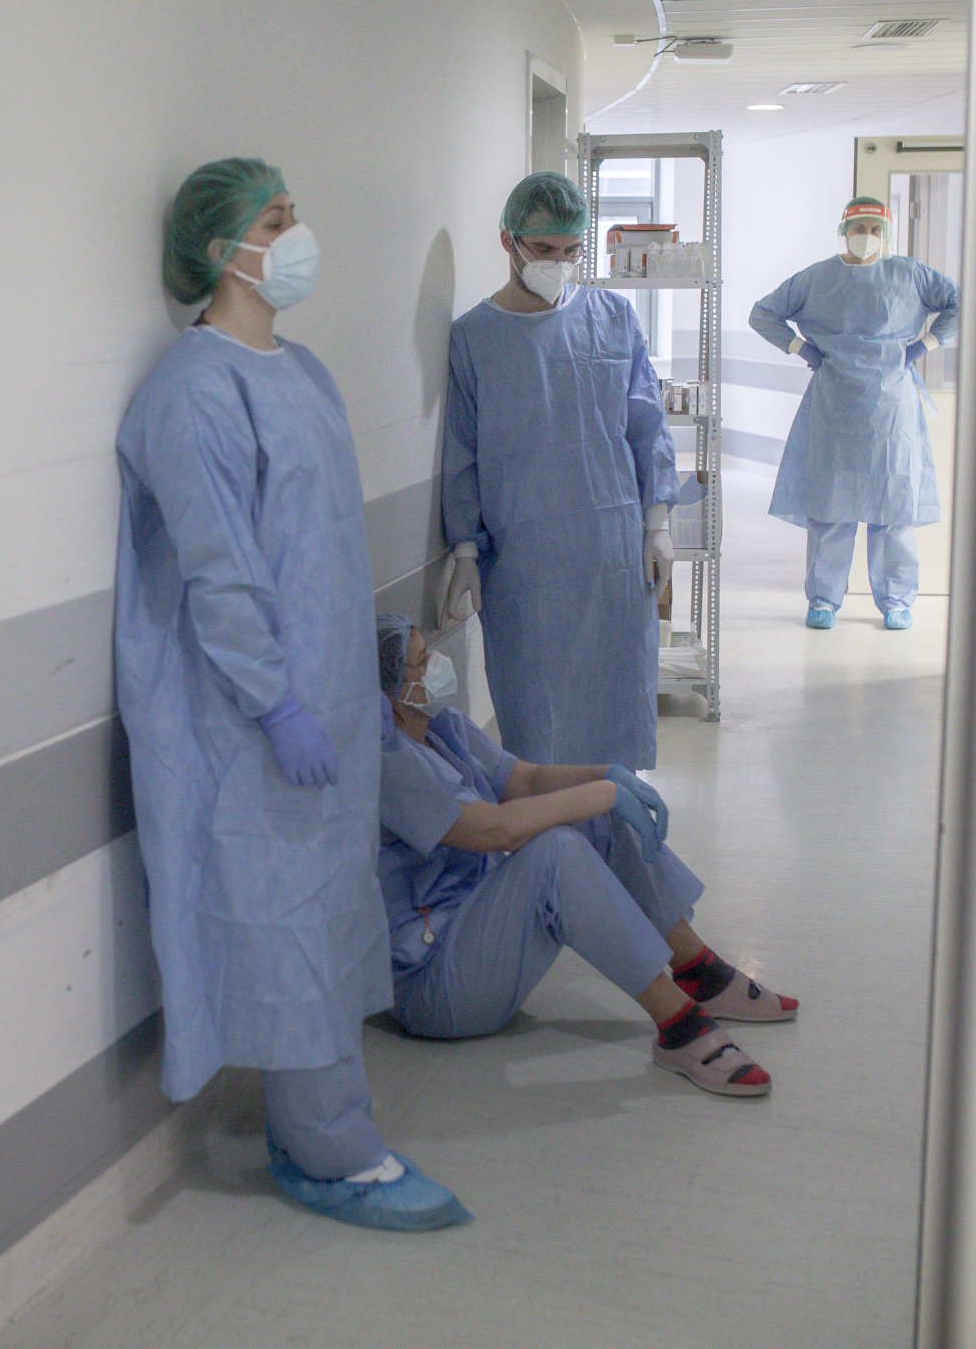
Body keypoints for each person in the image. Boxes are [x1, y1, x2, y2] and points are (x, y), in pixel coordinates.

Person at [116, 159, 468, 1232]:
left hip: (330, 711)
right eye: (275, 222)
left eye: (292, 216)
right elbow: (220, 573)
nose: (296, 237)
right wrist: (274, 702)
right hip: (250, 726)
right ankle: (329, 1152)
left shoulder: (303, 373)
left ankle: (315, 1125)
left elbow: (320, 548)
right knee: (283, 927)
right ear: (218, 249)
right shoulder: (190, 393)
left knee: (323, 915)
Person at [374, 615, 796, 1094]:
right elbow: (494, 830)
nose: (437, 665)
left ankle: (700, 972)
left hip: (477, 930)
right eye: (421, 662)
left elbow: (524, 779)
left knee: (595, 817)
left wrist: (607, 775)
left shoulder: (441, 726)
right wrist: (603, 794)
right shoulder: (389, 763)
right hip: (436, 985)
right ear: (388, 694)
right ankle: (680, 1026)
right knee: (558, 850)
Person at [441, 171, 679, 769]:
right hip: (526, 569)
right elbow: (462, 449)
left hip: (612, 556)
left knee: (615, 710)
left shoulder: (612, 316)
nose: (560, 263)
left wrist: (656, 524)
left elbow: (646, 423)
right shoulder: (474, 337)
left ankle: (614, 816)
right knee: (536, 722)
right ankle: (548, 826)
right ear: (509, 241)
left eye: (572, 250)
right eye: (545, 249)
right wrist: (465, 550)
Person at [750, 196, 961, 629]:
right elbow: (763, 314)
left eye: (876, 229)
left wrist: (925, 345)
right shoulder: (817, 278)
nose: (868, 236)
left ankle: (897, 601)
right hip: (836, 402)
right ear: (844, 232)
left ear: (887, 233)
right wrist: (800, 347)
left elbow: (960, 304)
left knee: (894, 507)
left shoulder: (910, 274)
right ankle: (823, 600)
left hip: (892, 407)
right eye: (860, 228)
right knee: (832, 506)